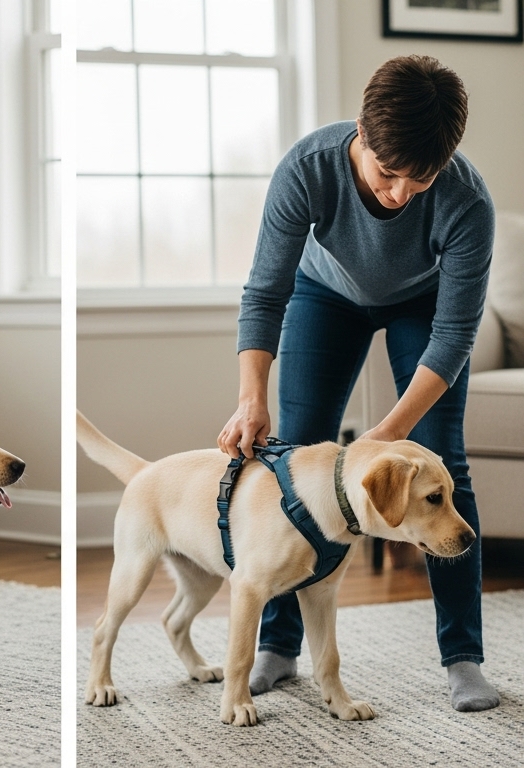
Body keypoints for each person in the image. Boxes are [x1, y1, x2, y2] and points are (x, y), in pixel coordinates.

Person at [219, 55, 498, 712]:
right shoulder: (308, 168)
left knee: (440, 457)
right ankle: (280, 647)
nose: (400, 193)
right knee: (299, 453)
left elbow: (454, 338)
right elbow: (265, 292)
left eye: (419, 179)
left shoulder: (467, 203)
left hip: (422, 306)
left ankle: (464, 658)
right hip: (327, 293)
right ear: (361, 138)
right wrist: (250, 397)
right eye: (386, 174)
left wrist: (388, 434)